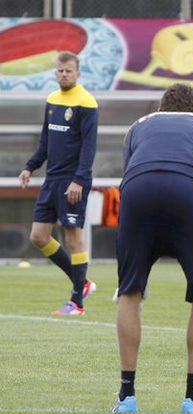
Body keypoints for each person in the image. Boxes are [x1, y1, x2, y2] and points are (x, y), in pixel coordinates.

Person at [112, 84, 193, 414]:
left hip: (138, 193)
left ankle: (126, 397)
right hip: (186, 192)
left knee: (129, 291)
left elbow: (129, 175)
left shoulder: (138, 126)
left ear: (161, 107)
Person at [18, 51, 98, 316]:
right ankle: (81, 282)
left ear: (78, 73)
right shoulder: (52, 99)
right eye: (60, 71)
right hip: (51, 179)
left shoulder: (86, 102)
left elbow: (89, 147)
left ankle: (77, 303)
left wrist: (79, 180)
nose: (64, 74)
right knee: (39, 236)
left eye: (68, 70)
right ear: (56, 73)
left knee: (73, 238)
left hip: (73, 180)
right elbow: (45, 141)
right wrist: (30, 166)